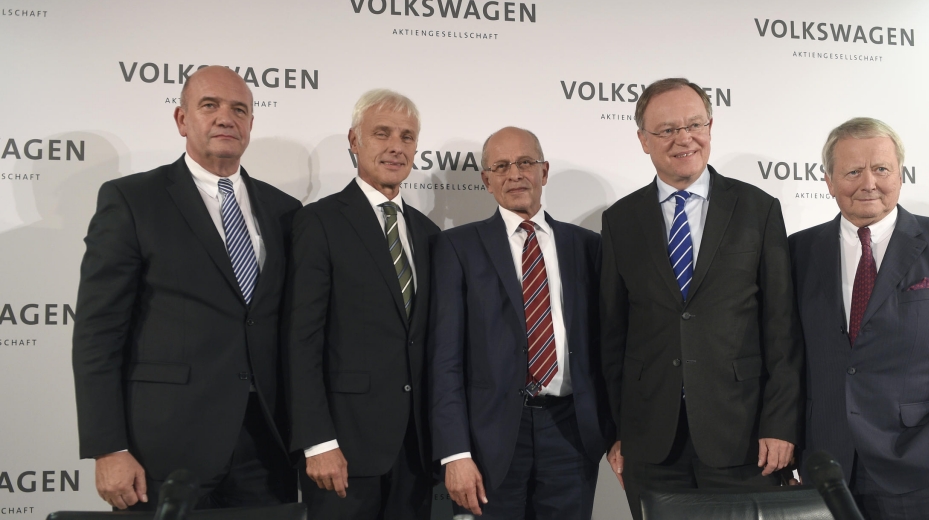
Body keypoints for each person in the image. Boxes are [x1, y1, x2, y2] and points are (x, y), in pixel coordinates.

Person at [72, 65, 301, 510]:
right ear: (181, 119)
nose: (225, 118)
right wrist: (108, 447)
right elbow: (98, 333)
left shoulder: (285, 210)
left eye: (239, 109)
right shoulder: (133, 200)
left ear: (251, 124)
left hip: (267, 444)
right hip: (163, 449)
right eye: (209, 106)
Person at [600, 78, 803, 518]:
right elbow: (613, 338)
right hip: (652, 445)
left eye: (694, 124)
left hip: (744, 437)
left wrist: (781, 424)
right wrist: (618, 433)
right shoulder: (620, 220)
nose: (683, 138)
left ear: (711, 126)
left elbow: (782, 329)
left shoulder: (758, 209)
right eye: (667, 129)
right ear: (643, 140)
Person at [789, 117, 929, 520]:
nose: (868, 182)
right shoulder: (797, 251)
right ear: (829, 180)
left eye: (881, 169)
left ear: (900, 174)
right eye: (852, 171)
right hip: (826, 466)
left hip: (920, 466)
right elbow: (785, 356)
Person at [429, 127, 614, 520]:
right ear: (486, 181)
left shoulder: (588, 246)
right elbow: (444, 360)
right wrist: (455, 452)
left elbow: (608, 347)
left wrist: (614, 432)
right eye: (501, 166)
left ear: (544, 172)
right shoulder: (457, 247)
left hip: (572, 434)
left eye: (525, 162)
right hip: (490, 438)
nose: (515, 174)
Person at [284, 89, 439, 520]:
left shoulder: (429, 234)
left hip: (416, 453)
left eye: (407, 137)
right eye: (382, 134)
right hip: (343, 452)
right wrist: (318, 442)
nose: (396, 147)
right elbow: (302, 340)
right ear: (354, 141)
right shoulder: (319, 222)